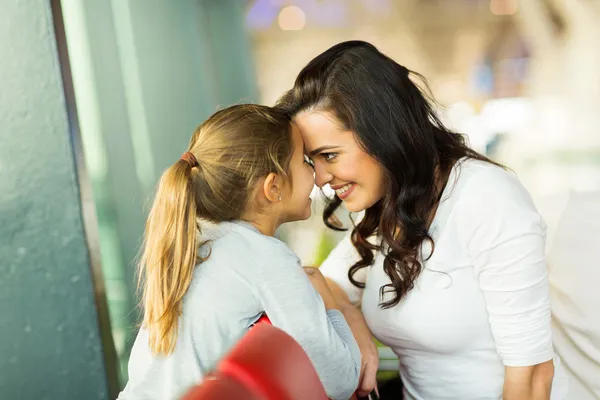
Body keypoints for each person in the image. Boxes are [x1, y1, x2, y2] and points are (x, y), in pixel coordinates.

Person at [277, 41, 569, 399]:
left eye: (330, 156)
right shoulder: (391, 206)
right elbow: (326, 283)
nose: (321, 178)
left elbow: (533, 373)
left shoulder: (486, 196)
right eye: (313, 161)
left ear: (382, 133)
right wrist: (353, 323)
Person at [117, 104, 360, 400]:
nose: (318, 175)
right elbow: (341, 380)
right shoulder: (264, 257)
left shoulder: (194, 239)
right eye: (306, 162)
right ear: (273, 187)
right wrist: (329, 303)